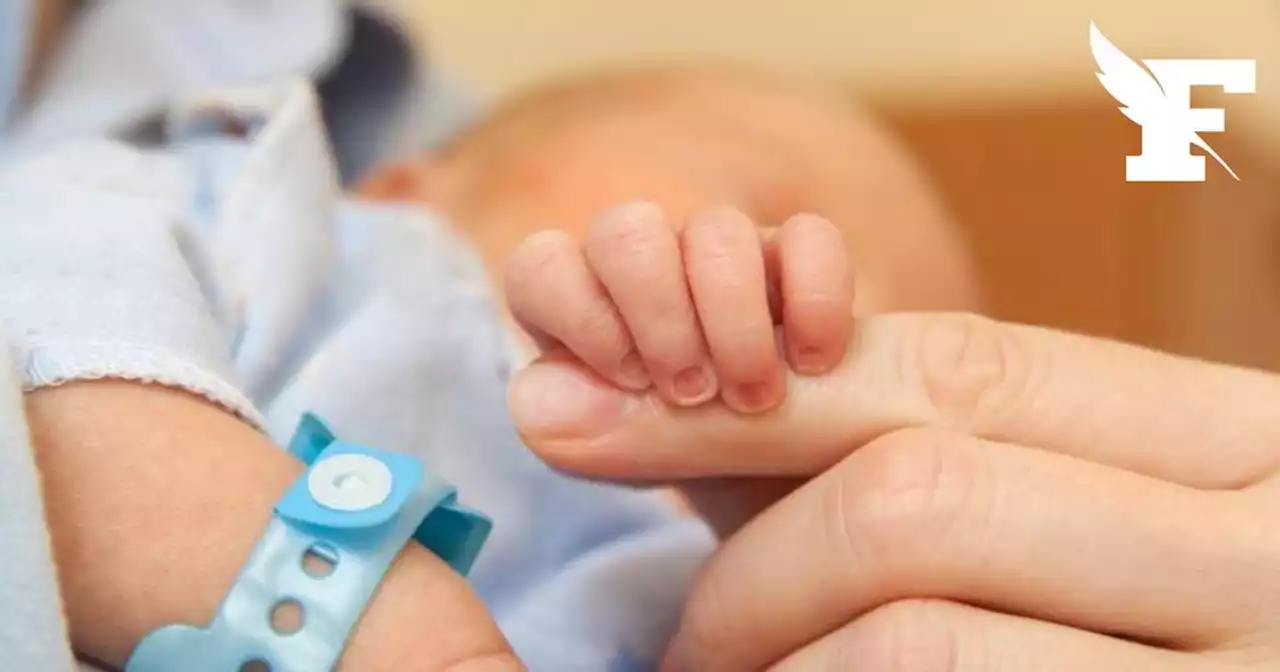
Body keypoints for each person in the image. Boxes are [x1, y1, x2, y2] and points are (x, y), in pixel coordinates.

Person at [0, 2, 972, 670]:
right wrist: (378, 621)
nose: (825, 322)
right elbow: (52, 292)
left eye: (870, 339)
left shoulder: (659, 587)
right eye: (757, 213)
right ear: (392, 186)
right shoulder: (269, 208)